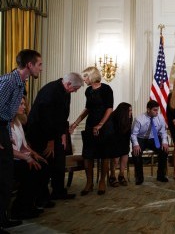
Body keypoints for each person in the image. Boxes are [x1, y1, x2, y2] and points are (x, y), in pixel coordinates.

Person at [0, 49, 42, 232]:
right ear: (29, 65)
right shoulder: (9, 81)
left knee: (6, 179)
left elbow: (7, 114)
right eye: (39, 65)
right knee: (3, 179)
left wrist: (7, 132)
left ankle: (3, 218)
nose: (41, 69)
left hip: (3, 128)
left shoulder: (20, 84)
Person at [26, 73, 84, 201]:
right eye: (75, 89)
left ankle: (58, 191)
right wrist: (51, 141)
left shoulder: (65, 91)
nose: (75, 92)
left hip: (55, 132)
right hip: (40, 133)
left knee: (59, 162)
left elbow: (63, 116)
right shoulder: (50, 91)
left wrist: (63, 134)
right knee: (46, 162)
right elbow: (46, 119)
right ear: (68, 84)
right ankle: (42, 197)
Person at [69, 67, 114, 196]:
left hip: (104, 126)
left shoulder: (106, 89)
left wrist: (100, 124)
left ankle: (102, 182)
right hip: (90, 125)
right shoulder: (88, 91)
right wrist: (76, 123)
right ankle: (89, 183)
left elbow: (109, 109)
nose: (83, 79)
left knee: (104, 155)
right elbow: (87, 109)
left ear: (91, 76)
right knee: (87, 154)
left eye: (85, 77)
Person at [10, 97, 48, 220]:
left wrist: (35, 154)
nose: (24, 107)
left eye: (24, 104)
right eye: (21, 104)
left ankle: (29, 204)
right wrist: (27, 159)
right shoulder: (4, 124)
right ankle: (18, 208)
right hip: (9, 161)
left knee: (43, 167)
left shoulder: (17, 122)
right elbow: (9, 151)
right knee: (31, 172)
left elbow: (24, 146)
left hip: (19, 158)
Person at [131, 100, 169, 184]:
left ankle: (161, 175)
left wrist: (164, 142)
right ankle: (139, 177)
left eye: (157, 110)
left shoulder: (160, 117)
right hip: (141, 138)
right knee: (136, 153)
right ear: (148, 110)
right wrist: (136, 145)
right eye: (154, 110)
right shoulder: (139, 119)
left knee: (164, 151)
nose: (157, 112)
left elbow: (163, 131)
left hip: (154, 137)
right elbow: (133, 134)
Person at [108, 102, 132, 187]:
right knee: (116, 154)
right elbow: (111, 134)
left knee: (125, 152)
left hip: (123, 141)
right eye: (129, 111)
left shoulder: (128, 119)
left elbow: (128, 135)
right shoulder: (113, 118)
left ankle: (121, 175)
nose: (130, 113)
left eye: (131, 110)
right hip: (113, 141)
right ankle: (112, 175)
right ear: (123, 112)